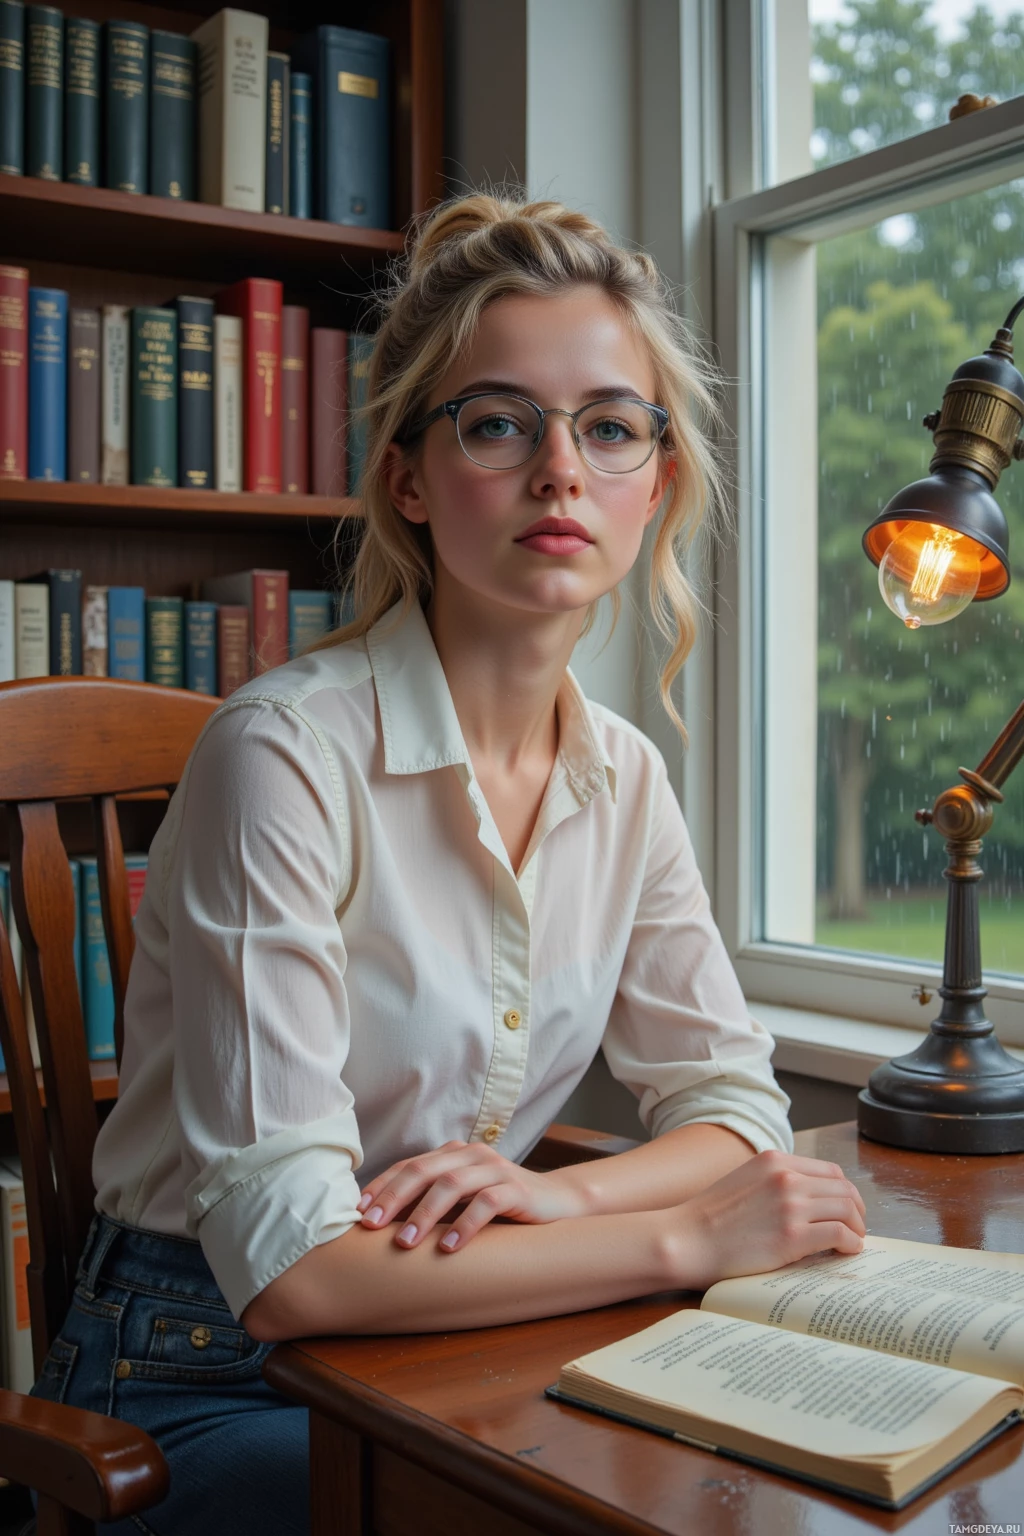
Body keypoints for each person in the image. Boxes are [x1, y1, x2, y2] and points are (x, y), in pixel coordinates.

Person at [29, 191, 866, 1536]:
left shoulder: (627, 778)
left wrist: (549, 1194)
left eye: (608, 426)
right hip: (200, 1369)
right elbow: (294, 1271)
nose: (559, 471)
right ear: (410, 475)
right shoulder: (282, 753)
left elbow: (731, 1108)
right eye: (499, 421)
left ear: (654, 483)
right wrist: (682, 1237)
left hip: (470, 1326)